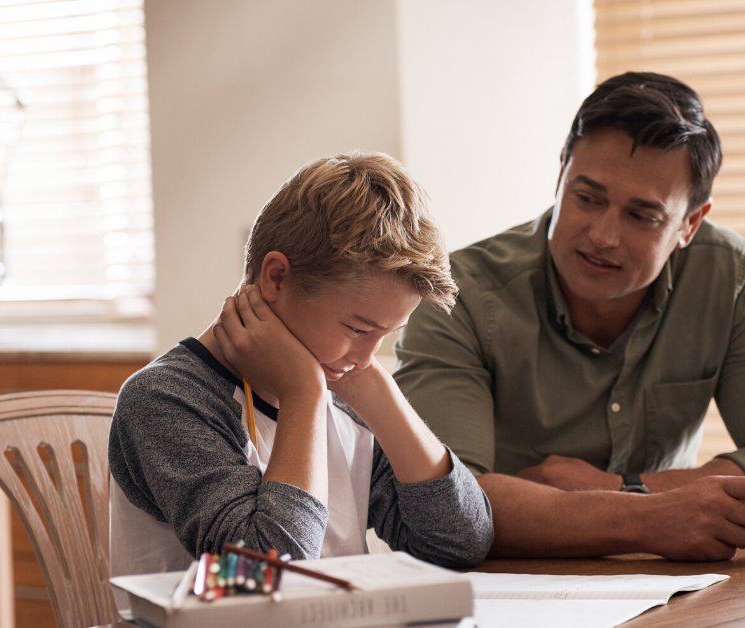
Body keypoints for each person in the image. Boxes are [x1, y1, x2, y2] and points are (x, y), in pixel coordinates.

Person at [394, 72, 745, 561]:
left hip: (683, 589)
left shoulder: (726, 273)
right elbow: (444, 504)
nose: (603, 235)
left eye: (642, 215)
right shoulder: (459, 292)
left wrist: (625, 487)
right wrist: (649, 515)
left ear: (690, 223)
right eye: (587, 198)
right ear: (560, 173)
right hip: (512, 588)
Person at [108, 152, 494, 594]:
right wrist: (302, 395)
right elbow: (262, 578)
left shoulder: (345, 389)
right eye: (357, 328)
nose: (366, 356)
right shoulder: (166, 401)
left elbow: (459, 542)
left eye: (386, 335)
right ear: (275, 278)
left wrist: (380, 396)